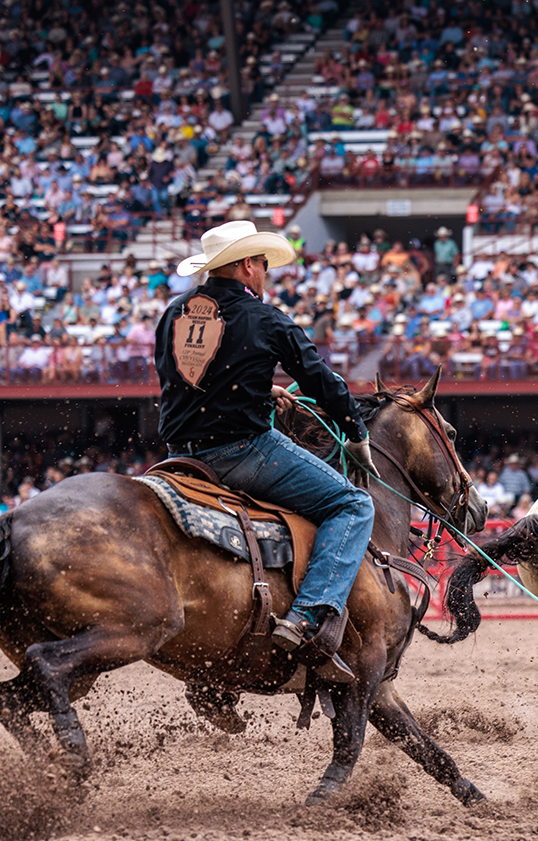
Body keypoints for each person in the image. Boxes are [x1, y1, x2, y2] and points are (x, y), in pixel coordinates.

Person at [154, 220, 376, 681]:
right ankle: (310, 615)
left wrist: (258, 391)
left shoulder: (173, 313)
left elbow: (190, 381)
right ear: (247, 265)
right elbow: (321, 381)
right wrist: (355, 429)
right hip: (241, 451)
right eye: (263, 265)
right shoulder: (265, 318)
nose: (266, 273)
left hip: (179, 455)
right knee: (353, 504)